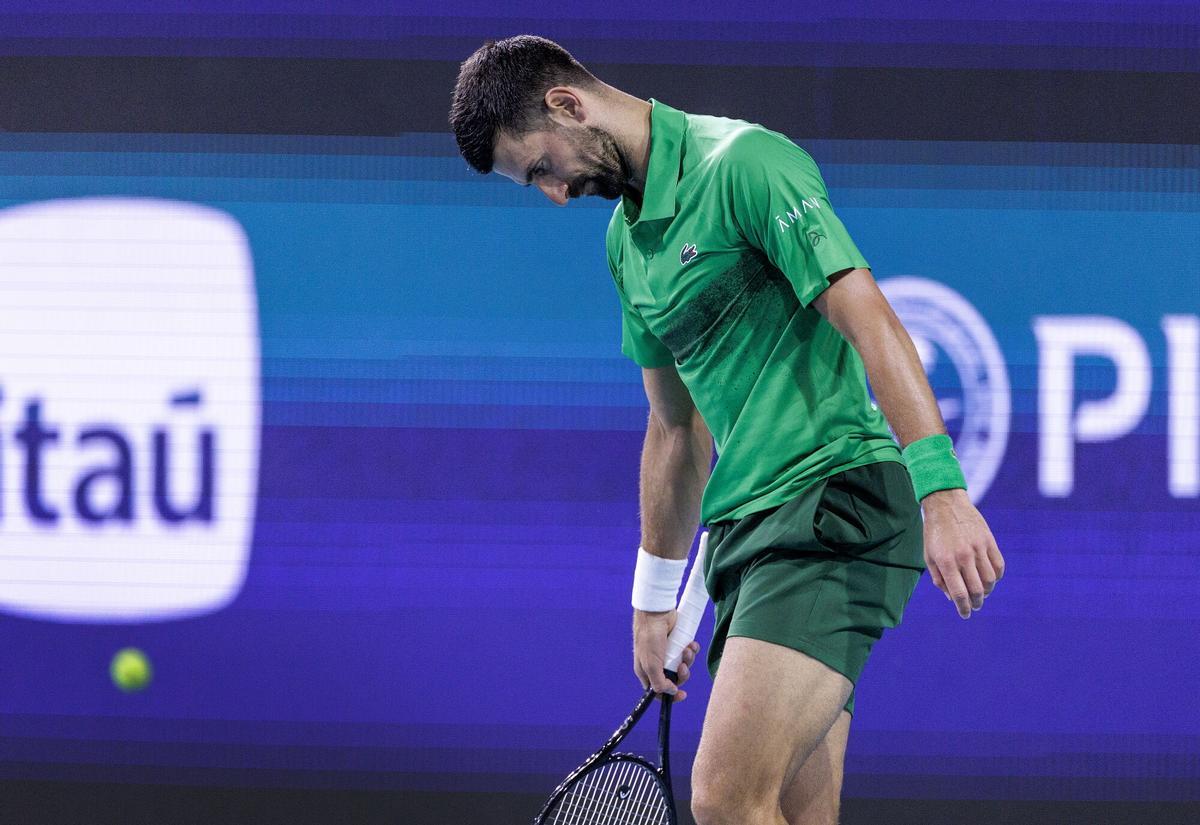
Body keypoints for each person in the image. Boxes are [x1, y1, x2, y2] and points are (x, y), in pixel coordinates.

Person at [450, 35, 1005, 825]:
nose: (554, 193)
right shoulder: (625, 247)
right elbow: (675, 430)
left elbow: (870, 318)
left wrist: (943, 488)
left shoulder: (745, 164)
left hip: (832, 503)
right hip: (745, 541)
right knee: (787, 810)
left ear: (566, 105)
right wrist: (651, 600)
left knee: (724, 797)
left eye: (541, 166)